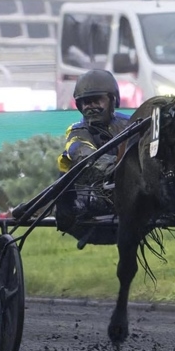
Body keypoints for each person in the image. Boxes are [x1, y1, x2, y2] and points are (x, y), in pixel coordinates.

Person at [55, 69, 132, 230]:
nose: (91, 107)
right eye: (86, 102)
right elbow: (84, 157)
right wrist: (126, 169)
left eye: (97, 101)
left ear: (112, 100)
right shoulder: (77, 132)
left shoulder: (131, 124)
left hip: (131, 198)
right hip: (89, 209)